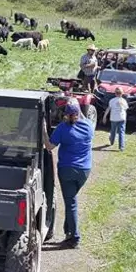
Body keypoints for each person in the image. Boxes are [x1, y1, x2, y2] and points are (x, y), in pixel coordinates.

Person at [46, 103, 94, 248]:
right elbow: (83, 117)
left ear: (66, 115)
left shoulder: (62, 128)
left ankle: (74, 237)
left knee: (71, 202)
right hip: (84, 171)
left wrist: (43, 130)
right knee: (71, 199)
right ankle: (68, 232)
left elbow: (49, 146)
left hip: (67, 170)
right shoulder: (89, 126)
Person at [103, 87, 128, 151]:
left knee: (113, 131)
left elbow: (108, 109)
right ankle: (121, 147)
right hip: (122, 118)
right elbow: (125, 109)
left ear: (115, 93)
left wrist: (104, 116)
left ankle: (111, 141)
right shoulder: (123, 101)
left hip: (113, 118)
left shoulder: (112, 100)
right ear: (122, 93)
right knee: (121, 132)